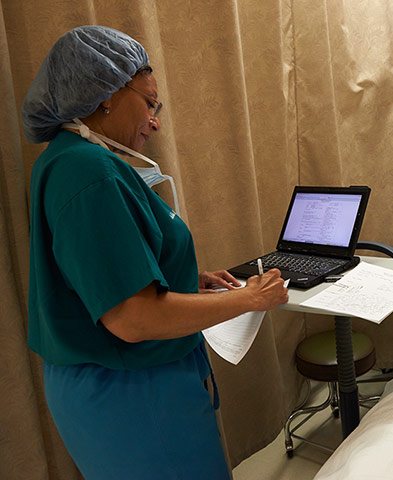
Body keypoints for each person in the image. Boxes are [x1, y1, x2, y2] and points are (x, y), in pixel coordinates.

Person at [23, 26, 288, 479]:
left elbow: (96, 275)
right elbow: (133, 318)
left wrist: (184, 276)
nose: (156, 121)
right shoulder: (89, 172)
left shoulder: (73, 161)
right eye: (149, 103)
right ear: (106, 92)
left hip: (114, 381)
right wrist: (252, 298)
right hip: (131, 390)